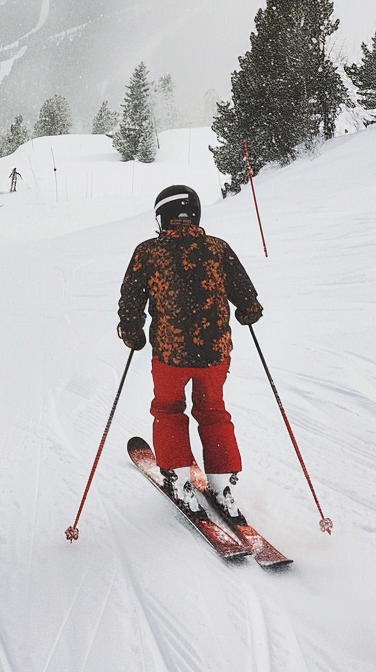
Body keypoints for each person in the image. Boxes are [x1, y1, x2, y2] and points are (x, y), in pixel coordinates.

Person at [117, 184, 262, 518]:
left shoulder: (148, 251)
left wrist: (131, 332)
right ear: (193, 213)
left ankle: (180, 480)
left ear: (162, 216)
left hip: (171, 354)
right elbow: (246, 295)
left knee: (169, 409)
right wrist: (247, 310)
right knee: (213, 411)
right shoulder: (218, 248)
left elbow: (131, 298)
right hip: (215, 353)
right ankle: (223, 486)